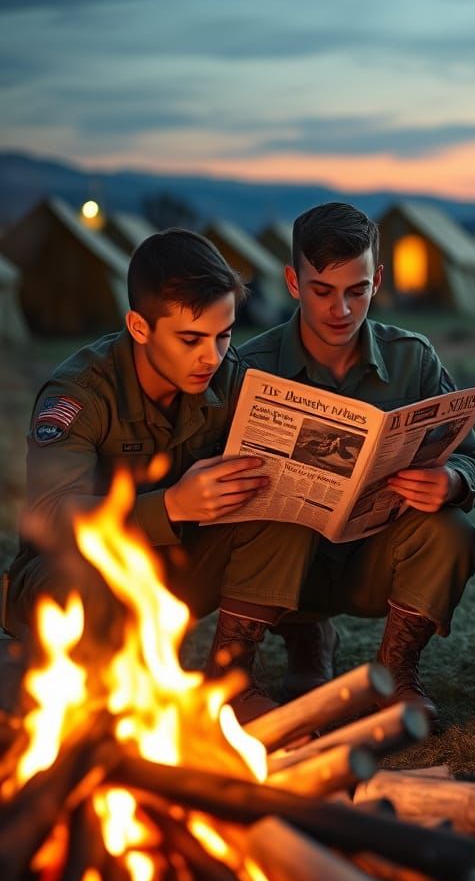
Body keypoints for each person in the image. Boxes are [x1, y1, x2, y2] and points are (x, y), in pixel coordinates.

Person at [1, 229, 317, 721]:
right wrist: (171, 505)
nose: (211, 357)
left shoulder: (227, 376)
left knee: (279, 510)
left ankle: (231, 677)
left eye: (224, 335)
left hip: (176, 563)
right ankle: (67, 673)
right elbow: (51, 516)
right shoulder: (81, 394)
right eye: (191, 339)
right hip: (73, 576)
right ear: (139, 326)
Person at [238, 202, 475, 729]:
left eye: (357, 290)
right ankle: (303, 638)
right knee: (266, 521)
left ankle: (395, 670)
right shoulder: (250, 367)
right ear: (292, 282)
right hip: (284, 561)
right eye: (322, 291)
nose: (342, 310)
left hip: (377, 555)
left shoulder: (412, 357)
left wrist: (450, 481)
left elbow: (474, 462)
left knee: (453, 532)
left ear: (377, 280)